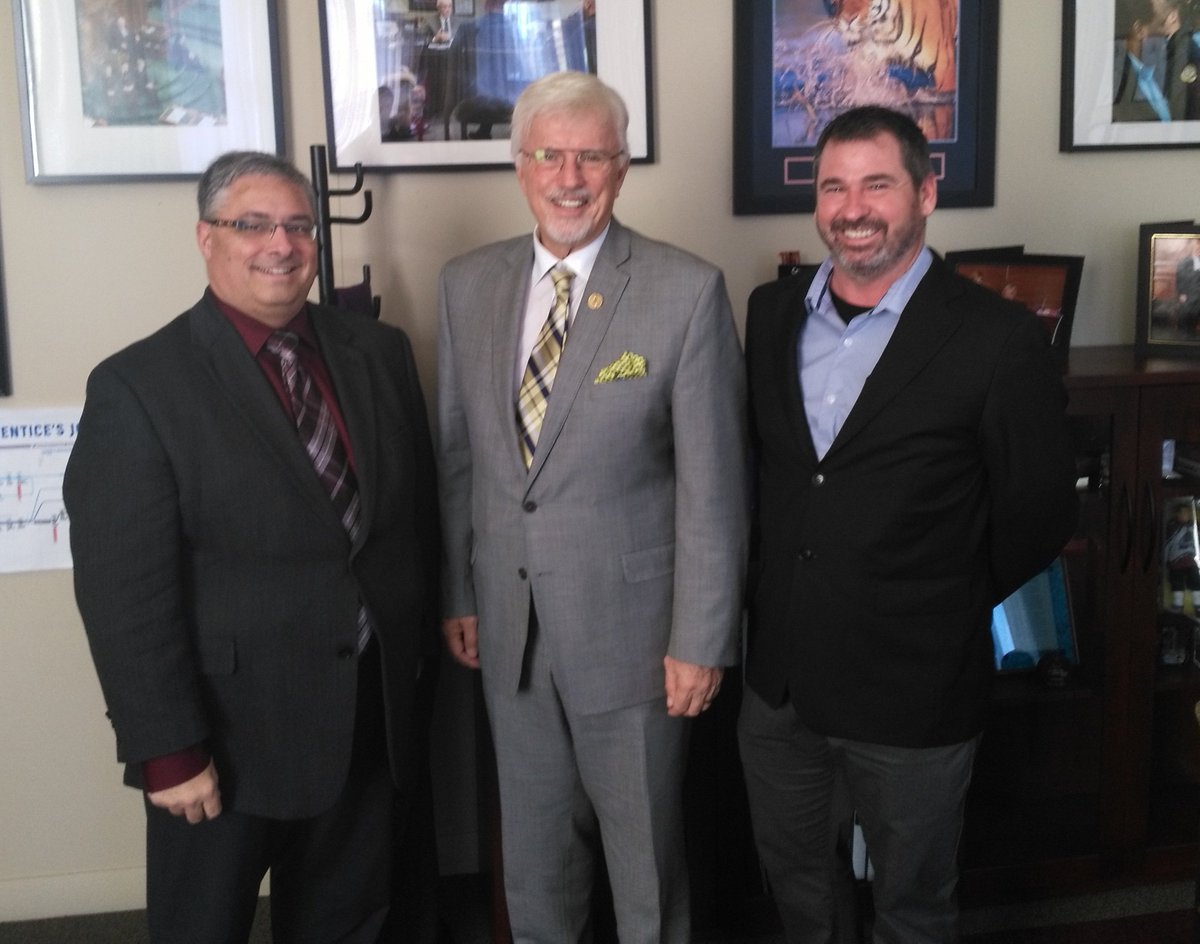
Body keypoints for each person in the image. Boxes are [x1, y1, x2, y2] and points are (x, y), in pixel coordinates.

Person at [63, 151, 440, 943]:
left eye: (299, 226)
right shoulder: (138, 387)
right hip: (227, 739)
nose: (281, 244)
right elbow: (123, 594)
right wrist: (167, 749)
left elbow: (410, 526)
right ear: (207, 238)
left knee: (352, 925)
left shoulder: (378, 352)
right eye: (253, 225)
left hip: (365, 722)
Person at [738, 106, 1079, 944]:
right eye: (834, 187)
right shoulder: (770, 312)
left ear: (925, 194)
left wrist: (940, 598)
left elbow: (1039, 514)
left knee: (913, 909)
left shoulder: (997, 338)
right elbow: (771, 480)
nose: (852, 208)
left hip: (916, 689)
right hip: (780, 687)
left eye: (877, 185)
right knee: (800, 897)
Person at [436, 71, 749, 943]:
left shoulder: (685, 289)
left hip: (636, 644)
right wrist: (459, 593)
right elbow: (458, 460)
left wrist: (701, 640)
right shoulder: (467, 284)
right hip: (510, 635)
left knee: (646, 870)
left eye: (592, 157)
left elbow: (715, 488)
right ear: (520, 165)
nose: (569, 178)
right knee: (535, 868)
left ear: (621, 168)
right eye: (549, 156)